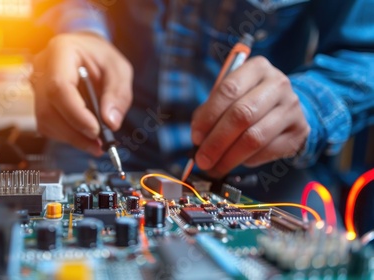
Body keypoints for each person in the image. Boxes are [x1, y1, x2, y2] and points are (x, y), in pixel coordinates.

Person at [30, 0, 374, 216]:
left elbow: (365, 53)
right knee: (47, 212)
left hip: (255, 162)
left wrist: (310, 102)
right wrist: (81, 29)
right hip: (101, 138)